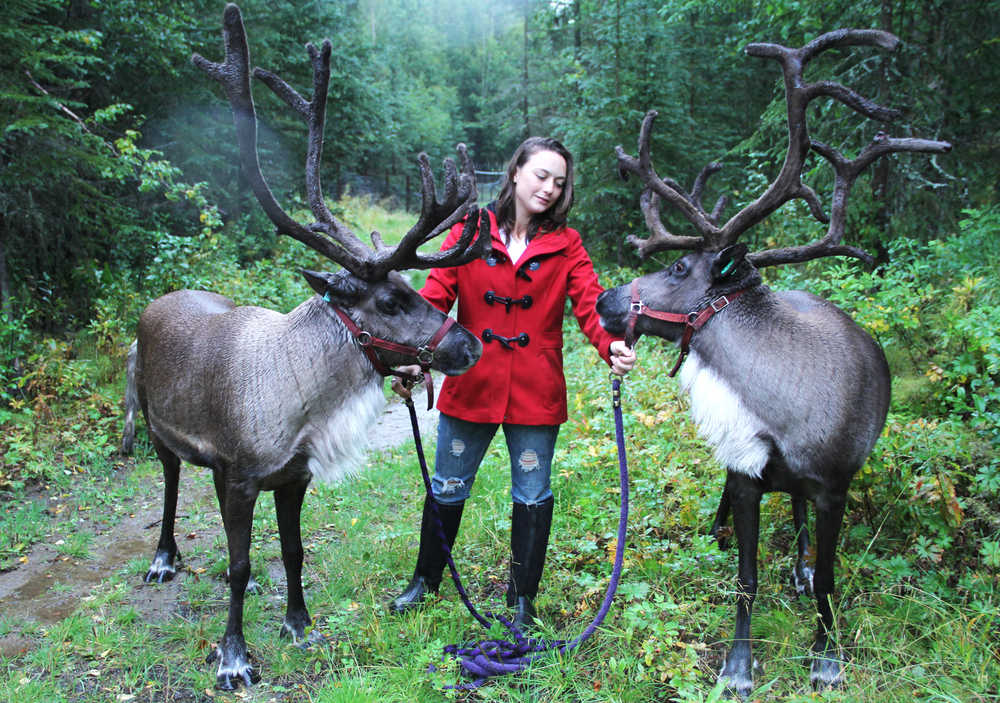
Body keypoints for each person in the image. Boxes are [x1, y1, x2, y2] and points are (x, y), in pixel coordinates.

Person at [389, 136, 636, 629]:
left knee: (532, 493)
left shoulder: (567, 243)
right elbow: (436, 296)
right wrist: (414, 358)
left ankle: (522, 600)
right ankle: (426, 581)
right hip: (471, 381)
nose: (549, 188)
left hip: (535, 391)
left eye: (559, 182)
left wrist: (611, 345)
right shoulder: (469, 229)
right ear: (517, 171)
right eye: (542, 175)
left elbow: (588, 302)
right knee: (448, 485)